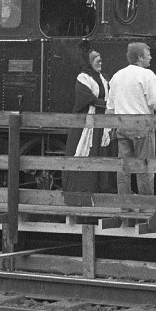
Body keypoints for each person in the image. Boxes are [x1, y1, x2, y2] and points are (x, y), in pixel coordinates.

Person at [106, 42, 156, 196]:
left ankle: (125, 206)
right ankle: (146, 207)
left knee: (124, 169)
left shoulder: (117, 76)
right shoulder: (146, 75)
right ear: (140, 57)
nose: (151, 58)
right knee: (145, 169)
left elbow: (111, 106)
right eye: (148, 55)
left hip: (122, 126)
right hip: (142, 126)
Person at [63, 45, 114, 200]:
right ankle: (81, 191)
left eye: (99, 58)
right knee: (84, 152)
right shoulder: (83, 77)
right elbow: (85, 98)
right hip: (87, 124)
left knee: (101, 153)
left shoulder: (103, 78)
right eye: (94, 59)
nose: (99, 61)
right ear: (88, 62)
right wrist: (106, 104)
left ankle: (101, 192)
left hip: (101, 123)